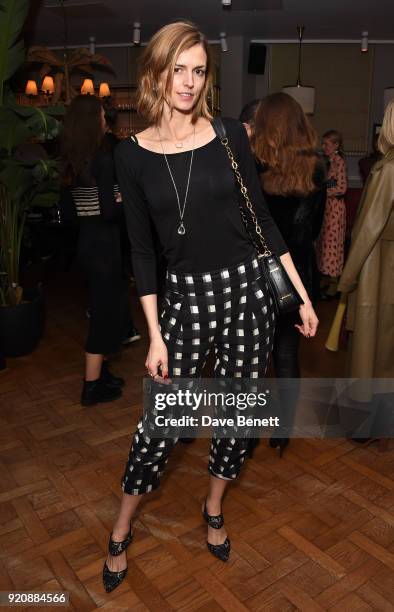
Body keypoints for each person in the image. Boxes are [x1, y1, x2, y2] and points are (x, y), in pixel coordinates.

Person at [103, 21, 318, 593]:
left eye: (199, 71)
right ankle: (122, 524)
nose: (190, 82)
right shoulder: (132, 156)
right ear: (157, 71)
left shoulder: (229, 136)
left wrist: (297, 295)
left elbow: (262, 222)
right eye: (180, 69)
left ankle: (214, 505)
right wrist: (154, 334)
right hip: (186, 300)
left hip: (248, 293)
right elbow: (144, 253)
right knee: (160, 424)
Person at [252, 92, 326, 455]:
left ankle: (247, 435)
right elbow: (313, 230)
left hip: (258, 273)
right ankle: (282, 431)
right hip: (298, 274)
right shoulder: (318, 167)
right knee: (286, 352)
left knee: (253, 356)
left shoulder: (252, 165)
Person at [61, 95, 130, 406]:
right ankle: (91, 387)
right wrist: (125, 202)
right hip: (104, 248)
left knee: (101, 311)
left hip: (86, 246)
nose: (106, 120)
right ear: (94, 120)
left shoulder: (73, 161)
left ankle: (101, 375)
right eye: (103, 115)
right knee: (102, 318)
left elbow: (72, 213)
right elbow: (108, 212)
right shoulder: (103, 159)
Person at [337, 100, 394, 440]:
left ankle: (366, 425)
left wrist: (346, 278)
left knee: (369, 350)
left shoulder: (388, 169)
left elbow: (369, 227)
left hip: (377, 267)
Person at [316, 130, 347, 298]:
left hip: (335, 209)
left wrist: (323, 191)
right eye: (323, 144)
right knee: (325, 244)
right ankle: (326, 280)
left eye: (327, 144)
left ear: (336, 145)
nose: (323, 147)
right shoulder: (327, 162)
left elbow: (342, 188)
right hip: (327, 208)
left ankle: (334, 285)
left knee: (332, 245)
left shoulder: (339, 162)